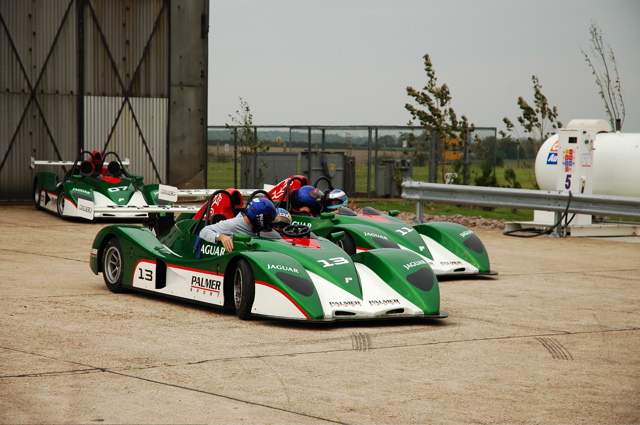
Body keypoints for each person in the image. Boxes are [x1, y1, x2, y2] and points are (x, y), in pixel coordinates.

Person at [199, 197, 278, 252]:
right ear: (259, 217)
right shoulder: (232, 225)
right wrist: (222, 237)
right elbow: (203, 231)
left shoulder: (257, 227)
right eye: (269, 219)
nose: (270, 222)